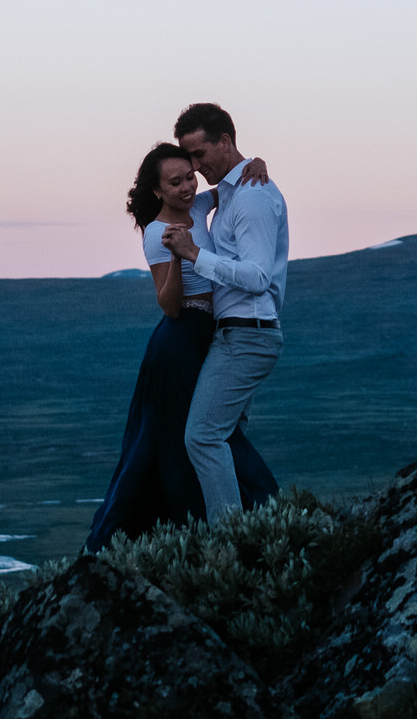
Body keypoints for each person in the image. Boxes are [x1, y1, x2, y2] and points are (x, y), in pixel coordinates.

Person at [82, 142, 276, 552]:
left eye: (190, 176)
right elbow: (168, 306)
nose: (188, 186)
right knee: (183, 440)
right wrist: (177, 255)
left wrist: (255, 163)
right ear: (157, 191)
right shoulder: (157, 234)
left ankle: (237, 520)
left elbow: (229, 186)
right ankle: (218, 526)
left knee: (207, 432)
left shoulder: (198, 202)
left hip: (209, 333)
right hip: (180, 338)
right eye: (176, 182)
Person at [163, 101, 290, 520]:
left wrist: (193, 253)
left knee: (202, 438)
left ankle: (231, 539)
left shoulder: (251, 198)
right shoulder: (237, 190)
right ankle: (258, 528)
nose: (196, 168)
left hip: (247, 332)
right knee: (228, 438)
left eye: (200, 155)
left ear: (225, 141)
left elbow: (256, 276)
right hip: (239, 331)